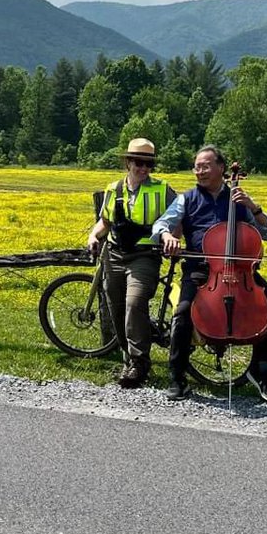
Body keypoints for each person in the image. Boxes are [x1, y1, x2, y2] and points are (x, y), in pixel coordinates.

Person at [152, 144, 267, 404]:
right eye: (197, 166)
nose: (199, 171)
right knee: (183, 311)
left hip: (239, 270)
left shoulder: (239, 199)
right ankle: (177, 376)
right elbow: (161, 224)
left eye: (205, 166)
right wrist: (167, 235)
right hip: (201, 270)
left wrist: (254, 208)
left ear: (221, 169)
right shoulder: (186, 199)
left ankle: (263, 369)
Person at [86, 138, 176, 388]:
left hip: (145, 256)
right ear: (128, 162)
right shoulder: (113, 189)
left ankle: (138, 363)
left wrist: (173, 240)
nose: (144, 168)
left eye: (148, 163)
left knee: (134, 302)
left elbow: (178, 219)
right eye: (138, 162)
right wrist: (93, 235)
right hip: (114, 254)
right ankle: (130, 357)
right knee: (116, 307)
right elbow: (105, 221)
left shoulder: (163, 189)